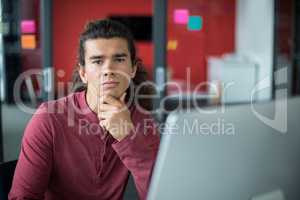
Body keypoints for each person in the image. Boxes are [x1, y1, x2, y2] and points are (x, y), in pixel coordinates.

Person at [9, 19, 160, 200]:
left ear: (133, 69)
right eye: (97, 61)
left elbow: (161, 193)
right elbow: (23, 196)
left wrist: (128, 137)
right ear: (83, 73)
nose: (108, 70)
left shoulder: (143, 121)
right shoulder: (48, 119)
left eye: (119, 59)